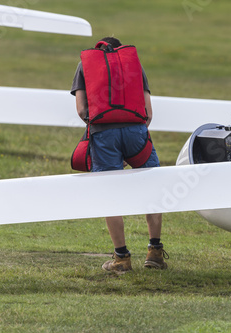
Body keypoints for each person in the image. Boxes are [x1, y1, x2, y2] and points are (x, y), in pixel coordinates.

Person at [70, 36, 167, 273]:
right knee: (152, 187)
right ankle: (155, 252)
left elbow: (82, 110)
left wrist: (105, 131)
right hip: (137, 132)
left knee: (109, 194)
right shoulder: (133, 63)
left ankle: (121, 259)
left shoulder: (86, 63)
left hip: (104, 134)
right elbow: (148, 112)